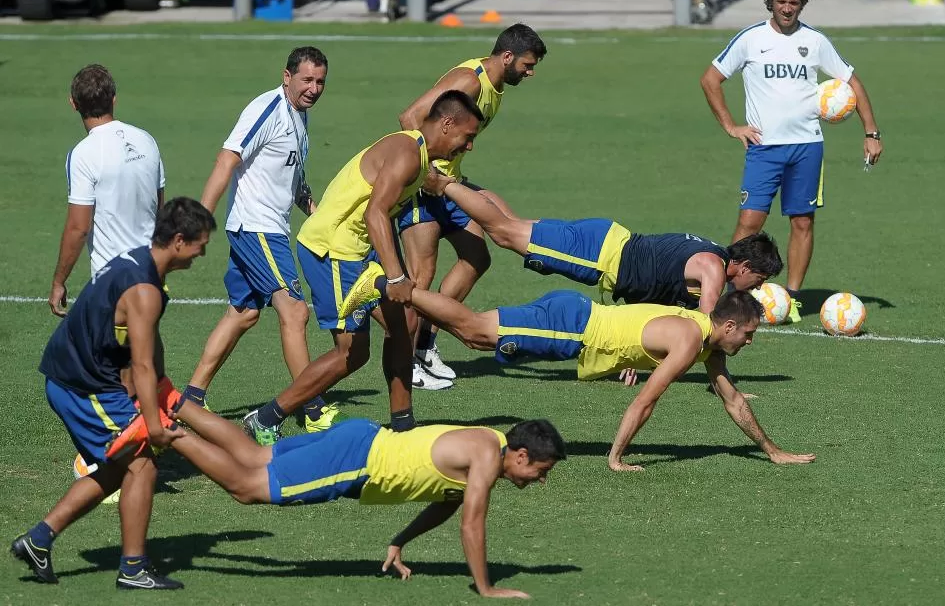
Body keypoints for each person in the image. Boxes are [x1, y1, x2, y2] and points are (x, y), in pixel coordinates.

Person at [341, 268, 816, 472]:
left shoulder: (708, 344)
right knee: (473, 331)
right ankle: (382, 284)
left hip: (575, 324)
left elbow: (732, 400)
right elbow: (646, 400)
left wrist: (772, 450)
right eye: (747, 335)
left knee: (474, 331)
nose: (748, 344)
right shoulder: (691, 338)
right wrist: (615, 455)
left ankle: (385, 289)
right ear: (728, 325)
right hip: (572, 327)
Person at [106, 388, 564, 599]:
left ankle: (174, 402)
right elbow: (472, 522)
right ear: (521, 455)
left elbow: (446, 503)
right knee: (247, 488)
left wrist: (400, 540)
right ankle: (167, 432)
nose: (539, 481)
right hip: (356, 462)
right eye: (540, 471)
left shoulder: (487, 443)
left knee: (252, 456)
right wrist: (485, 588)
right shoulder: (486, 458)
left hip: (359, 438)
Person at [239, 90, 483, 445]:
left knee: (406, 323)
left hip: (359, 250)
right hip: (333, 251)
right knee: (351, 354)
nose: (469, 146)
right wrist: (397, 276)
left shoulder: (420, 155)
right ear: (447, 124)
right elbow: (375, 213)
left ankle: (402, 427)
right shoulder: (407, 153)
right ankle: (265, 418)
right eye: (468, 137)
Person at [10, 198, 216, 589]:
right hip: (83, 385)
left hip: (75, 376)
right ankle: (134, 569)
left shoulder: (139, 263)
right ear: (177, 240)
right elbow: (138, 364)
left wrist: (156, 389)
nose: (202, 252)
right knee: (143, 463)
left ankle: (39, 539)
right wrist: (154, 426)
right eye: (199, 244)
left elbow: (146, 347)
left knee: (118, 465)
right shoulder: (144, 289)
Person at [700, 0, 882, 322]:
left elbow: (853, 83)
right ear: (771, 2)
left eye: (794, 2)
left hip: (807, 147)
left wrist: (871, 132)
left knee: (802, 222)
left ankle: (793, 298)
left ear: (802, 4)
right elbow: (710, 80)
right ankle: (729, 293)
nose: (787, 8)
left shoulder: (814, 42)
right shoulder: (751, 39)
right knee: (748, 222)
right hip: (764, 148)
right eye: (781, 1)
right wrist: (731, 127)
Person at [184, 47, 335, 429]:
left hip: (267, 228)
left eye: (320, 82)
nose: (314, 89)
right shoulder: (266, 110)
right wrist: (200, 216)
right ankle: (312, 408)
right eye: (306, 80)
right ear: (287, 77)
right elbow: (227, 159)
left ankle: (191, 399)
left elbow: (294, 182)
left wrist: (320, 217)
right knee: (295, 310)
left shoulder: (300, 117)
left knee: (243, 313)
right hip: (258, 228)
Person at [397, 23, 547, 389]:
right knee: (419, 278)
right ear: (507, 56)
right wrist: (426, 171)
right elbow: (410, 117)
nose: (530, 74)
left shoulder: (494, 88)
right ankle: (404, 365)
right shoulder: (471, 81)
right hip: (423, 186)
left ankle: (424, 346)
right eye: (527, 65)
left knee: (477, 257)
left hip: (449, 186)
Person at [48, 64, 167, 499]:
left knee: (114, 371)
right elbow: (159, 205)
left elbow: (79, 227)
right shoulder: (147, 140)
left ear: (74, 104)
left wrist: (60, 280)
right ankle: (144, 439)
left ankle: (111, 460)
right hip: (150, 273)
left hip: (112, 283)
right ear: (114, 99)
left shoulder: (84, 153)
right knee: (146, 359)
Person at [435, 180, 782, 314]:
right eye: (760, 279)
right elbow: (706, 326)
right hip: (600, 255)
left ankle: (465, 186)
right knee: (503, 232)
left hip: (606, 238)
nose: (758, 287)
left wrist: (636, 349)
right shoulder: (712, 268)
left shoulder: (712, 252)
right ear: (746, 267)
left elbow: (653, 289)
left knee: (511, 222)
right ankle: (443, 184)